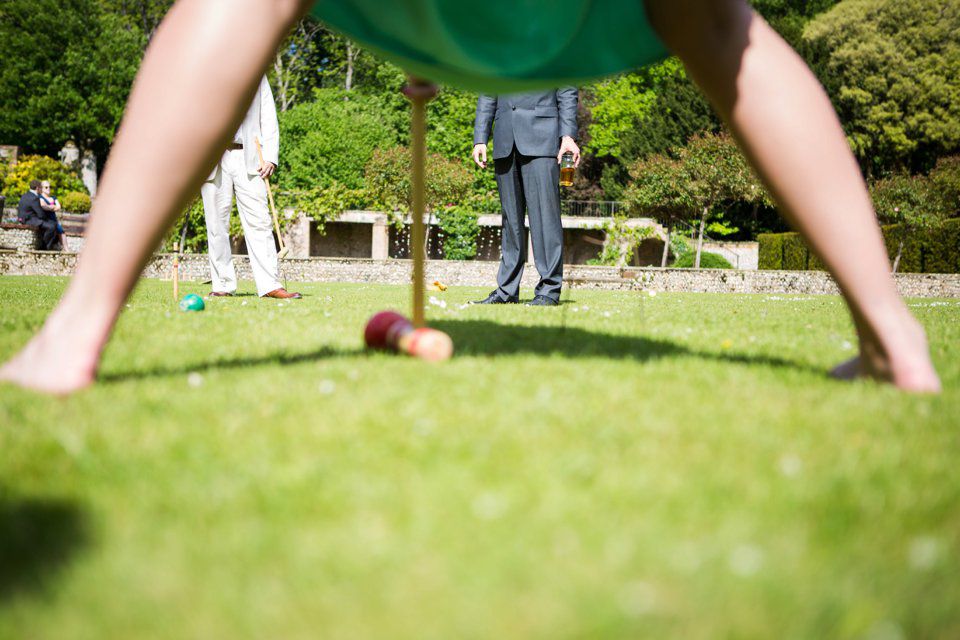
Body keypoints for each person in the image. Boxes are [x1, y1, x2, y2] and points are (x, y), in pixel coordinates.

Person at [0, 0, 941, 394]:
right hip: (505, 79)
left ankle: (77, 328)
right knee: (715, 21)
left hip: (526, 104)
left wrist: (430, 42)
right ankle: (891, 336)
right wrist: (433, 57)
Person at [472, 89, 580, 306]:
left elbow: (567, 91)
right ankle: (506, 290)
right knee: (510, 221)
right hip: (505, 140)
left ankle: (549, 290)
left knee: (545, 219)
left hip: (543, 140)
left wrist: (568, 136)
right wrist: (480, 138)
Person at [201, 75, 300, 300]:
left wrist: (271, 157)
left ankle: (270, 284)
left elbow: (269, 116)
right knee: (216, 224)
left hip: (251, 156)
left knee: (260, 221)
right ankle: (222, 284)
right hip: (213, 157)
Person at [16, 179, 60, 251]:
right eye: (40, 188)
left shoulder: (25, 195)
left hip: (23, 218)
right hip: (30, 220)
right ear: (37, 188)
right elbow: (41, 214)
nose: (41, 190)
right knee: (52, 226)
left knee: (50, 224)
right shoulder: (35, 198)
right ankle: (44, 248)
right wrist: (47, 219)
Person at [38, 180, 68, 249]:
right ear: (42, 189)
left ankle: (66, 249)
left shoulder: (53, 197)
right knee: (56, 229)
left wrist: (50, 207)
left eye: (49, 187)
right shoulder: (40, 198)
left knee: (61, 231)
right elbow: (44, 207)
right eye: (46, 187)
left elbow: (59, 207)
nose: (48, 188)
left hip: (54, 220)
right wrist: (53, 207)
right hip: (46, 220)